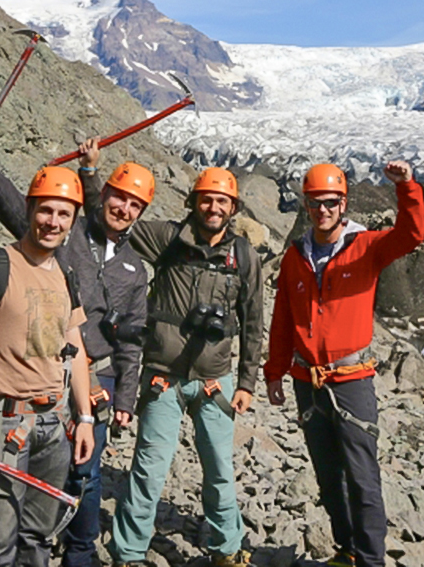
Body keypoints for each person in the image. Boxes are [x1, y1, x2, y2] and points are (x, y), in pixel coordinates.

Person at [0, 135, 151, 567]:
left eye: (135, 205)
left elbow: (132, 339)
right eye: (118, 198)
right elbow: (8, 201)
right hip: (36, 383)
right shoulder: (67, 240)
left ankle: (79, 554)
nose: (124, 208)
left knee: (85, 475)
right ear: (103, 196)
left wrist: (123, 398)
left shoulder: (135, 267)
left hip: (91, 376)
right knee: (5, 521)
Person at [263, 161, 424, 567]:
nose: (323, 210)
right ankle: (347, 549)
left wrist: (406, 187)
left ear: (343, 203)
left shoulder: (366, 246)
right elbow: (283, 318)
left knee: (362, 477)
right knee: (327, 476)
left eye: (331, 203)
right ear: (306, 205)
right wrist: (274, 372)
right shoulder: (294, 257)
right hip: (307, 379)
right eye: (316, 203)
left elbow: (411, 234)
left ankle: (371, 561)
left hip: (351, 378)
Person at [110, 167, 266, 567]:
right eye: (207, 199)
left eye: (222, 201)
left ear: (233, 208)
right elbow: (113, 215)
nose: (213, 207)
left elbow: (252, 323)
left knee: (219, 470)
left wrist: (247, 381)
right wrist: (93, 174)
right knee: (149, 469)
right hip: (164, 376)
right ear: (194, 202)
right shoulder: (167, 239)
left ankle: (227, 550)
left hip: (217, 381)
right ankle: (128, 553)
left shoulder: (244, 257)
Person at [0, 165, 97, 567]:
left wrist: (84, 417)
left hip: (54, 421)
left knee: (39, 538)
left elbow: (75, 346)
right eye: (46, 210)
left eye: (64, 214)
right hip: (4, 419)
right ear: (30, 209)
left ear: (72, 222)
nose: (53, 222)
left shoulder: (66, 273)